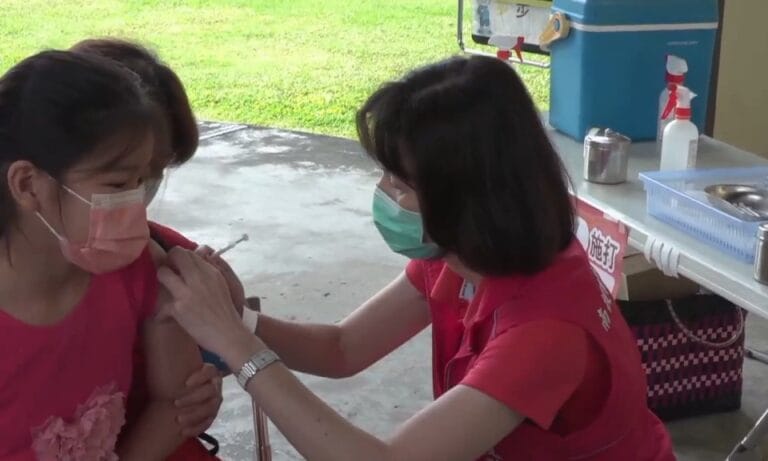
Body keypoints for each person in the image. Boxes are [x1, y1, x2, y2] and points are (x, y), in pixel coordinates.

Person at [160, 55, 676, 460]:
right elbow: (343, 348)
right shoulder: (464, 258)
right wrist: (240, 318)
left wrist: (235, 345)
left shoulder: (546, 334)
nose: (384, 195)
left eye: (401, 185)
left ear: (470, 200)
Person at [0, 50, 205, 460]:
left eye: (142, 181)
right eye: (117, 185)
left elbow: (180, 402)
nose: (135, 203)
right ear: (27, 184)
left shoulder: (138, 267)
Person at [70, 38, 232, 459]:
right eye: (118, 179)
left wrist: (228, 332)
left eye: (151, 174)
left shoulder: (163, 259)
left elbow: (180, 400)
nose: (136, 194)